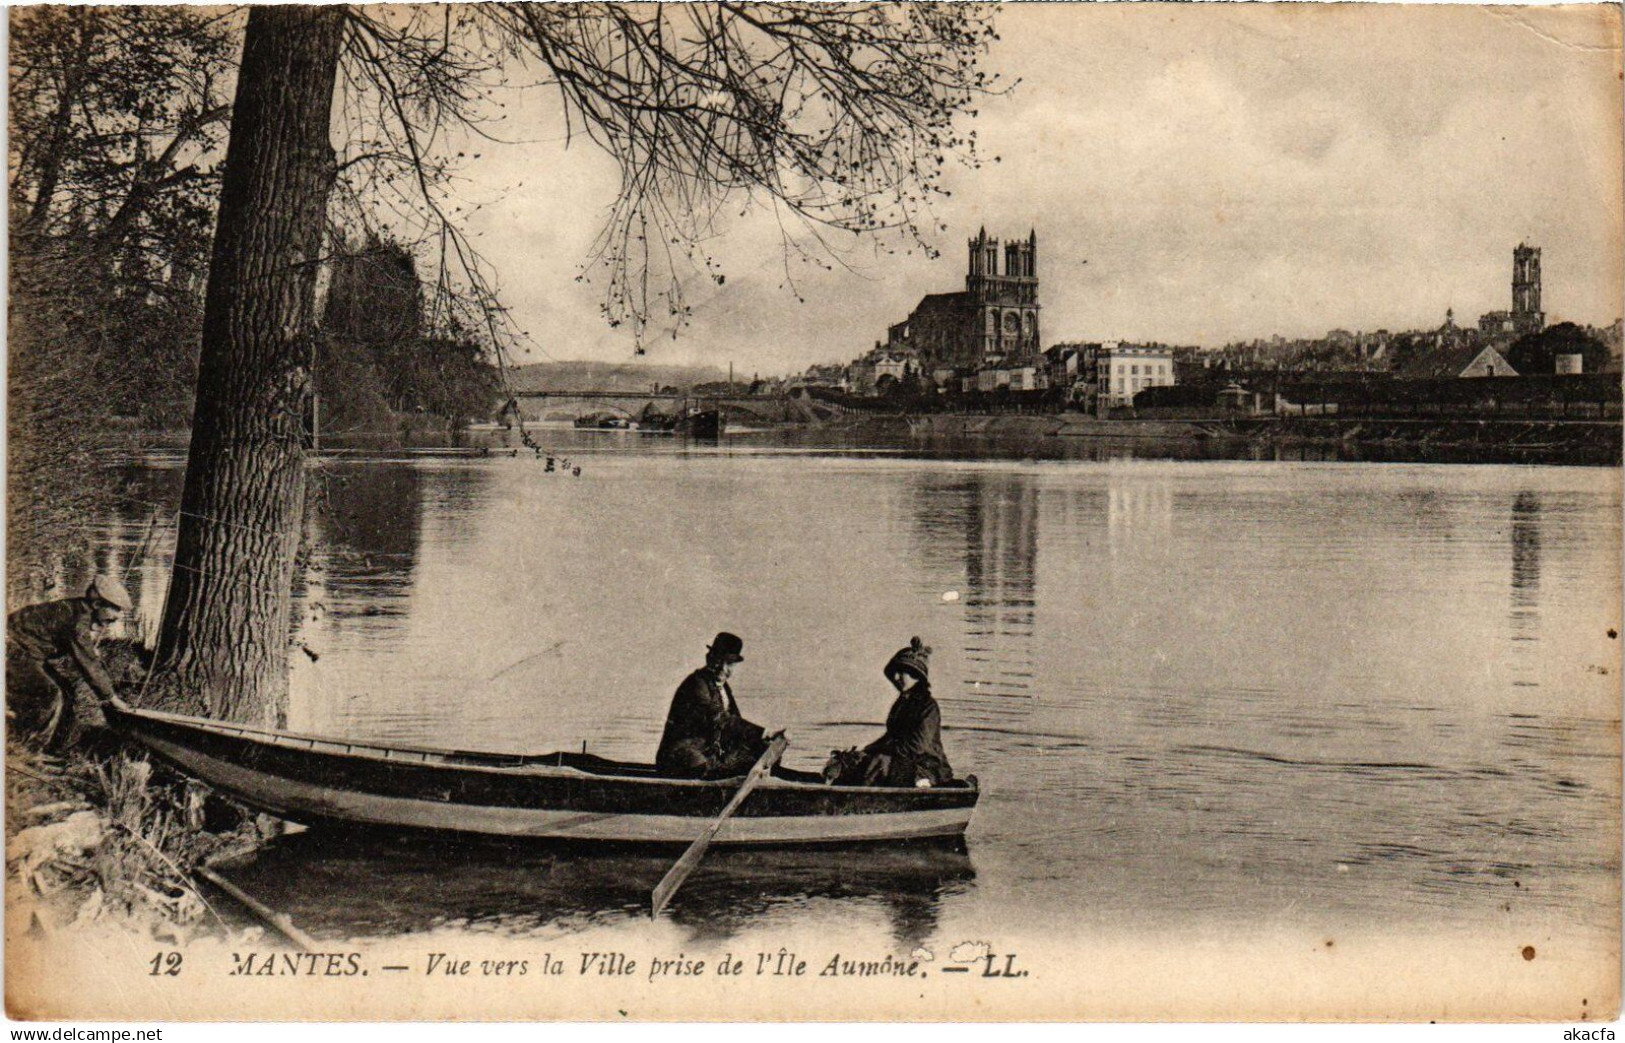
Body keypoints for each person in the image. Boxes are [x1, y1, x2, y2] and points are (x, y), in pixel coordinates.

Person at [6, 575, 131, 750]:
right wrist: (111, 697)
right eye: (115, 610)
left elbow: (85, 653)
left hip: (27, 651)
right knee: (47, 694)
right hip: (11, 647)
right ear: (96, 605)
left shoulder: (79, 610)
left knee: (67, 691)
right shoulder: (78, 621)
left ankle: (54, 748)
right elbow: (88, 664)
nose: (118, 616)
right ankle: (29, 750)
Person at [840, 637, 954, 787]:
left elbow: (918, 746)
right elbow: (891, 737)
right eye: (895, 672)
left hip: (926, 767)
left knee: (880, 761)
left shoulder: (929, 707)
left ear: (916, 677)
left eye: (902, 673)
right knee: (859, 761)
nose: (896, 677)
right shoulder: (901, 703)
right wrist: (866, 751)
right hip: (901, 760)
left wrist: (880, 752)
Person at [656, 632, 769, 778]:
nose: (722, 668)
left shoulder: (724, 688)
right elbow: (719, 719)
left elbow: (735, 724)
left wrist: (763, 741)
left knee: (760, 750)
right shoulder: (696, 685)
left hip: (706, 753)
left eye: (729, 664)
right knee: (699, 761)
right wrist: (764, 732)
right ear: (710, 658)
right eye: (719, 661)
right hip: (680, 757)